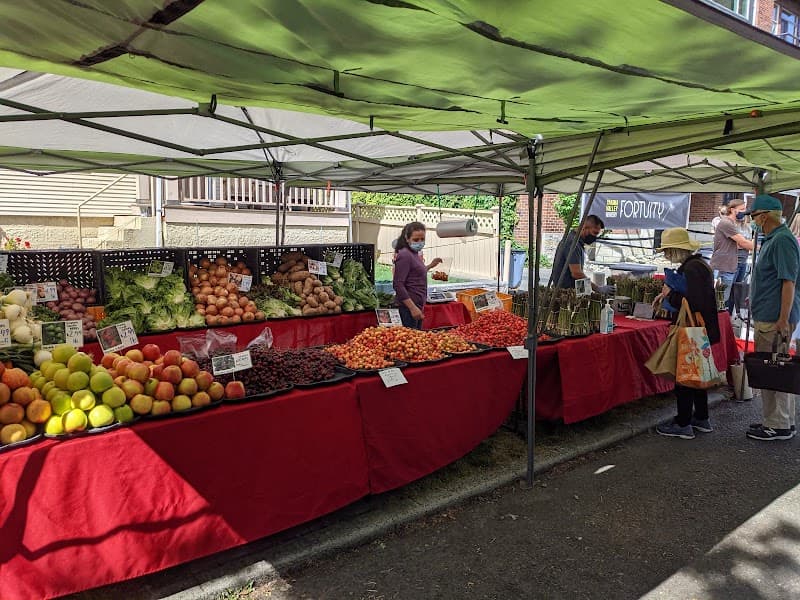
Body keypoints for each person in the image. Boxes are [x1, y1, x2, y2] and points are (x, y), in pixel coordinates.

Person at [652, 227, 720, 440]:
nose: (665, 255)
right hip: (701, 328)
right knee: (696, 376)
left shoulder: (691, 269)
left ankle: (683, 423)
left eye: (667, 251)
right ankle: (701, 417)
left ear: (675, 250)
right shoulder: (699, 265)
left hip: (691, 329)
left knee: (684, 377)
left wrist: (669, 295)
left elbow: (691, 302)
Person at [744, 195, 800, 441]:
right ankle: (781, 420)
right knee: (777, 368)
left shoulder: (782, 240)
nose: (752, 221)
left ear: (764, 216)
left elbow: (788, 282)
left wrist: (782, 319)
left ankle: (778, 424)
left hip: (774, 318)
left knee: (774, 370)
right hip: (771, 314)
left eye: (753, 216)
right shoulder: (775, 239)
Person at [392, 222, 442, 329]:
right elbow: (398, 284)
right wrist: (412, 308)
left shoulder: (414, 253)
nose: (420, 242)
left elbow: (415, 273)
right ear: (407, 238)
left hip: (417, 306)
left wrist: (431, 265)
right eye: (416, 240)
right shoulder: (405, 255)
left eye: (422, 239)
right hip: (408, 309)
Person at [710, 199, 754, 313]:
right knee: (721, 300)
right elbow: (743, 242)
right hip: (724, 266)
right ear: (733, 210)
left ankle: (726, 318)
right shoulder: (726, 223)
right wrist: (764, 247)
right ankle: (719, 320)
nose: (744, 211)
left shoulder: (731, 223)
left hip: (730, 265)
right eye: (742, 209)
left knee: (728, 297)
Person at [551, 215, 612, 292]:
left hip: (571, 289)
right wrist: (597, 288)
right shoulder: (573, 243)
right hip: (566, 291)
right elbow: (576, 273)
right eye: (594, 232)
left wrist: (586, 292)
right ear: (584, 227)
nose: (595, 237)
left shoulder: (576, 241)